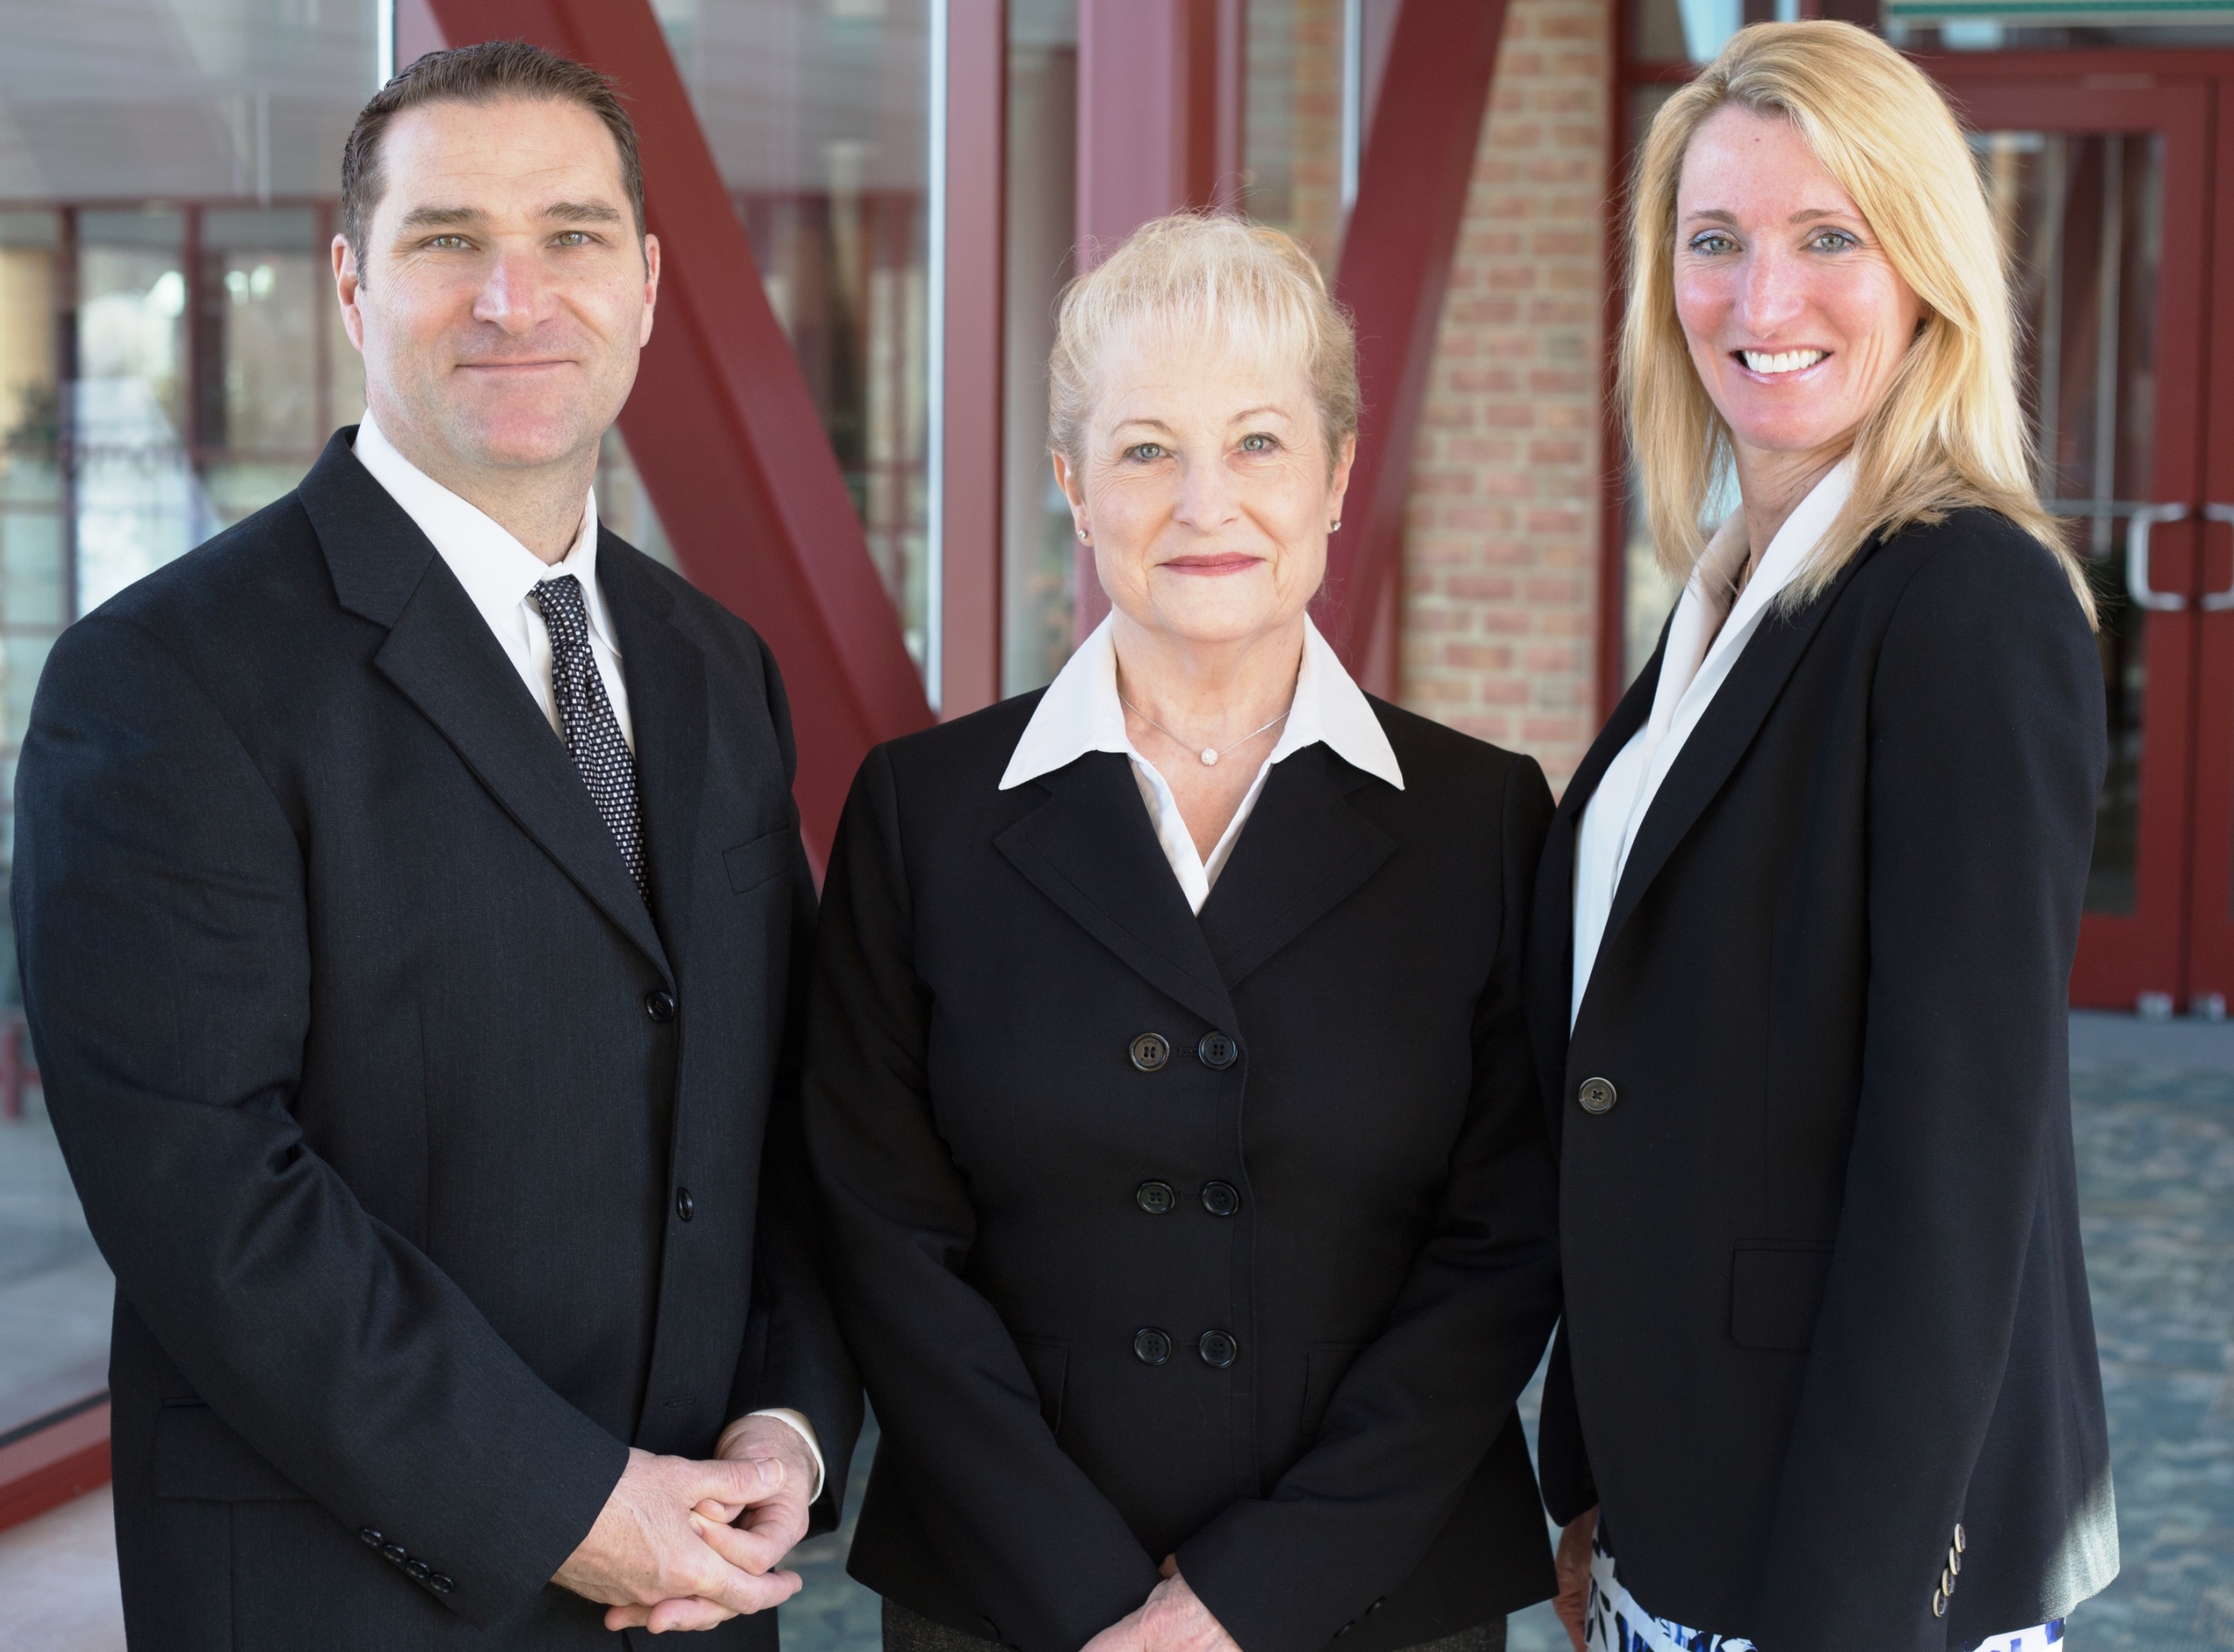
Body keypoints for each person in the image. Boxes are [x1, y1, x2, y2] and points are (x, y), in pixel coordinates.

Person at [12, 42, 857, 1648]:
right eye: (448, 237)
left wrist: (787, 1423)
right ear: (350, 281)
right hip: (353, 1588)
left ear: (652, 282)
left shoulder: (713, 665)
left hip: (698, 1575)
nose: (515, 297)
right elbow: (207, 1191)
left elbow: (783, 1096)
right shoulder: (166, 680)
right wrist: (567, 1502)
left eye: (573, 236)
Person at [802, 212, 1562, 1652]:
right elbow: (881, 1234)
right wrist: (1095, 1603)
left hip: (1378, 1596)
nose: (1205, 501)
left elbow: (1502, 1249)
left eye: (1260, 444)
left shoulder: (1486, 820)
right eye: (1147, 448)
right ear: (1072, 489)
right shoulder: (922, 812)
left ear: (1338, 476)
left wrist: (1244, 1600)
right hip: (1006, 1603)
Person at [1524, 22, 2117, 1652]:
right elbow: (1632, 1062)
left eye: (1826, 239)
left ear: (1924, 269)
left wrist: (1845, 1618)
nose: (1759, 302)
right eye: (1714, 242)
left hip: (1842, 1573)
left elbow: (1955, 1168)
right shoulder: (1738, 588)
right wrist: (1591, 1471)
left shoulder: (1965, 601)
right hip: (1682, 1522)